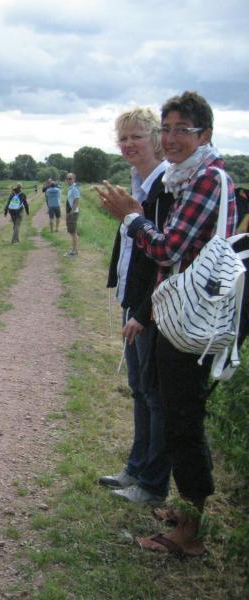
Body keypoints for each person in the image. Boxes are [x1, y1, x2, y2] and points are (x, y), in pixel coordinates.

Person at [97, 91, 236, 557]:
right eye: (169, 129)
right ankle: (184, 513)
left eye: (183, 130)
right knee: (176, 417)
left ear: (205, 135)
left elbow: (169, 249)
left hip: (192, 321)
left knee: (182, 422)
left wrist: (133, 219)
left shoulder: (206, 180)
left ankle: (189, 533)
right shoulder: (187, 177)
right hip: (176, 314)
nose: (173, 138)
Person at [99, 108, 173, 506]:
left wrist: (144, 310)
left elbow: (166, 257)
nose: (128, 144)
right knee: (139, 389)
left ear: (156, 138)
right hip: (135, 299)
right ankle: (136, 468)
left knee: (154, 394)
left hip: (155, 306)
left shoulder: (165, 186)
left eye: (136, 137)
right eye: (123, 137)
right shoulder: (138, 182)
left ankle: (152, 484)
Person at [65, 172, 81, 255]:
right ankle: (74, 249)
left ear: (74, 179)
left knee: (73, 232)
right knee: (72, 232)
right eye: (67, 178)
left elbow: (77, 201)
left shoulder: (75, 188)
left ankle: (74, 251)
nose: (68, 180)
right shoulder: (70, 188)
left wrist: (71, 212)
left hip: (73, 213)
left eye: (70, 178)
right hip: (70, 213)